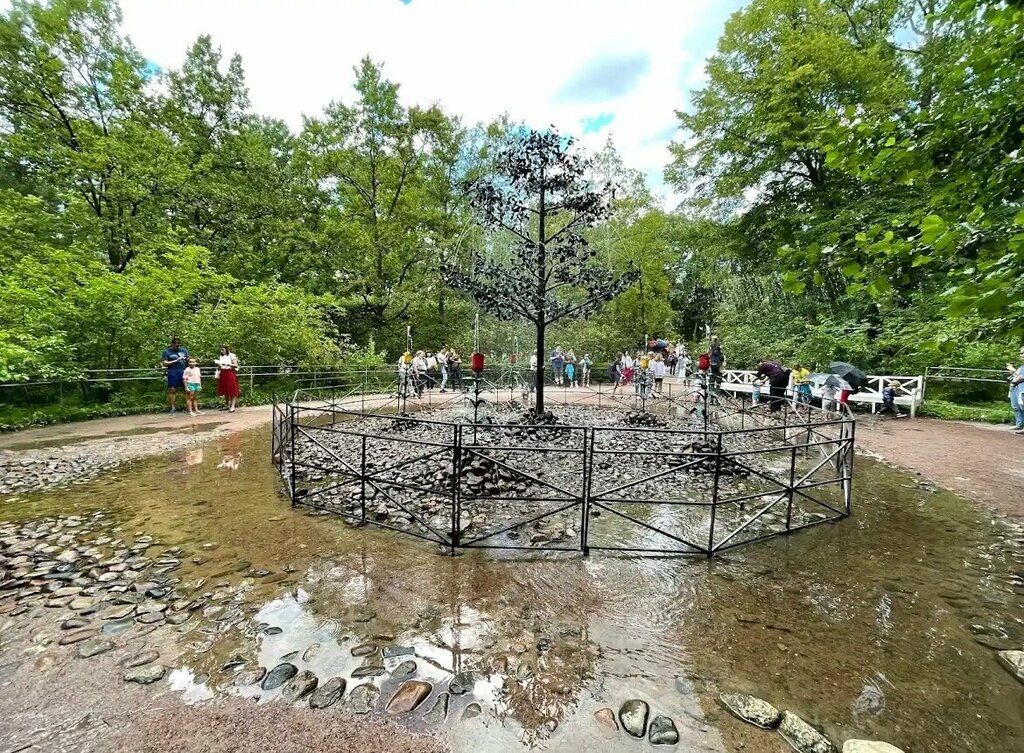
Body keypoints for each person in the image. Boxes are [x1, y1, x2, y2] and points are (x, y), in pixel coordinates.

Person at [159, 337, 189, 415]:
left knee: (186, 389)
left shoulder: (184, 350)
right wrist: (175, 361)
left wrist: (188, 360)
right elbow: (164, 363)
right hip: (173, 372)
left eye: (178, 344)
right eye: (176, 344)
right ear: (172, 344)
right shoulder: (166, 352)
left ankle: (188, 407)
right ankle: (173, 407)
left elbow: (189, 360)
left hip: (184, 371)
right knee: (172, 390)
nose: (177, 346)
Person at [215, 344, 240, 412]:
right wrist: (219, 366)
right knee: (225, 389)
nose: (221, 351)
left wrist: (228, 364)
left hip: (229, 372)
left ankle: (233, 406)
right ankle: (227, 405)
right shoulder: (221, 356)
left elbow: (236, 365)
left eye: (223, 349)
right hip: (223, 373)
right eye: (220, 349)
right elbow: (220, 366)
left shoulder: (231, 355)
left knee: (232, 389)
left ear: (226, 349)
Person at [1007, 347, 1024, 433]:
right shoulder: (1022, 366)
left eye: (1023, 353)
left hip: (1021, 388)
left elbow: (1021, 377)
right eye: (1021, 353)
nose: (1021, 355)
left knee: (1023, 406)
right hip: (1017, 388)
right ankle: (1019, 424)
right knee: (1016, 407)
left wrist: (1013, 371)